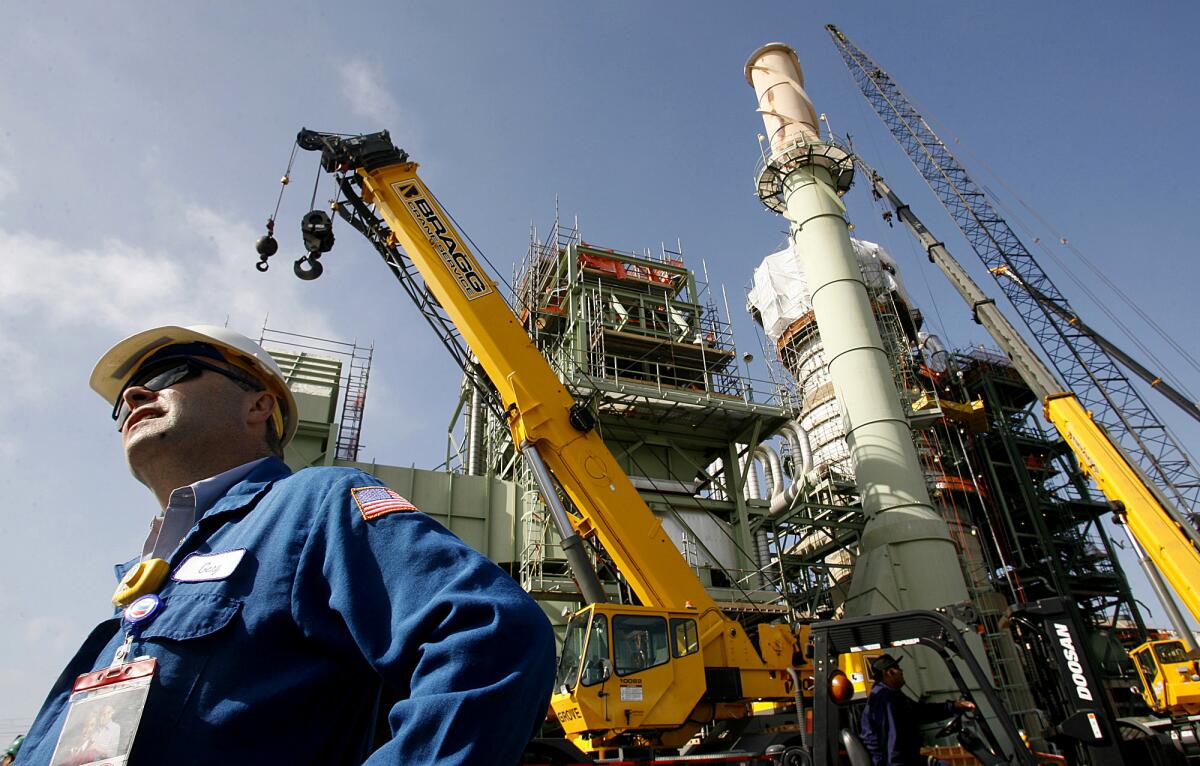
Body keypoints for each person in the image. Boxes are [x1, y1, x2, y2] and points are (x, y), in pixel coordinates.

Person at [18, 324, 556, 765]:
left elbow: (492, 635)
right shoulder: (150, 573)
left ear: (258, 406)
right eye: (121, 401)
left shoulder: (316, 503)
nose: (133, 395)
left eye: (169, 372)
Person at [859, 653, 976, 766]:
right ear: (889, 672)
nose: (901, 671)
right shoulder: (885, 700)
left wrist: (954, 706)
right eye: (898, 668)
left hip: (906, 758)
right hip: (895, 762)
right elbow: (892, 739)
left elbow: (920, 712)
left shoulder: (893, 695)